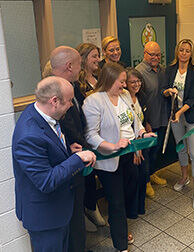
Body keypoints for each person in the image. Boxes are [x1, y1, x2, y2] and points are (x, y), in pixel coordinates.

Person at [12, 76, 96, 252]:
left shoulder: (42, 114)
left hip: (59, 209)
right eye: (69, 101)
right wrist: (77, 159)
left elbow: (49, 152)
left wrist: (67, 151)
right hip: (46, 218)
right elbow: (46, 181)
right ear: (54, 101)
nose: (72, 105)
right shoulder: (29, 135)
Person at [83, 62, 156, 252]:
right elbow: (91, 135)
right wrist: (113, 146)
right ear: (109, 80)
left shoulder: (124, 96)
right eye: (121, 82)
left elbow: (135, 120)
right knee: (116, 202)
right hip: (109, 159)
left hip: (130, 155)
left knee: (126, 195)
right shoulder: (93, 101)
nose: (124, 86)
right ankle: (121, 245)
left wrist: (142, 134)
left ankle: (119, 226)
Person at [50, 45, 92, 252]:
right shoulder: (54, 94)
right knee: (72, 215)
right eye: (79, 65)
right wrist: (73, 149)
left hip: (78, 156)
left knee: (77, 212)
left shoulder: (73, 87)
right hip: (68, 163)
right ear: (69, 66)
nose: (81, 69)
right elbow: (59, 130)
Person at [163, 39, 194, 210]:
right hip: (175, 117)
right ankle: (184, 177)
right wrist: (167, 91)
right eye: (181, 50)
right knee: (181, 149)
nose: (184, 53)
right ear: (177, 52)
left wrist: (179, 112)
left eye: (187, 50)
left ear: (191, 53)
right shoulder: (170, 70)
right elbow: (164, 89)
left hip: (191, 116)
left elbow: (193, 98)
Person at [75, 43, 106, 230]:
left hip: (103, 131)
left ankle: (96, 205)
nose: (98, 60)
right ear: (84, 58)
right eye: (94, 56)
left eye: (98, 56)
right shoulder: (77, 84)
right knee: (89, 172)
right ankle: (90, 207)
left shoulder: (98, 77)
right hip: (87, 133)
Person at [136, 41, 169, 197]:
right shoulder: (139, 73)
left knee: (156, 150)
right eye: (152, 54)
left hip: (163, 118)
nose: (155, 57)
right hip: (149, 121)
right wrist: (146, 122)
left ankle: (152, 174)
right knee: (147, 152)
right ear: (144, 54)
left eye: (158, 54)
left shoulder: (163, 70)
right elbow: (138, 101)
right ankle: (146, 181)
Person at [125, 67, 149, 215]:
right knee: (132, 177)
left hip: (142, 140)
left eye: (138, 81)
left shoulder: (142, 97)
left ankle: (141, 206)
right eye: (132, 82)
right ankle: (132, 210)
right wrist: (135, 149)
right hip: (131, 144)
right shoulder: (124, 99)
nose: (136, 84)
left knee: (144, 173)